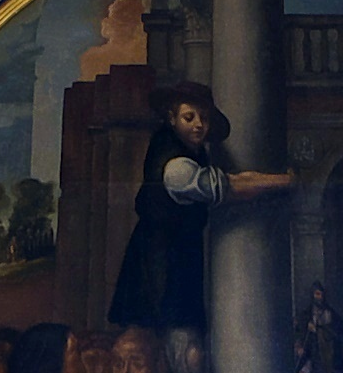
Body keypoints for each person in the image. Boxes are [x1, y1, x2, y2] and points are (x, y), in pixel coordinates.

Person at [109, 83, 289, 336]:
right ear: (172, 119)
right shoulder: (176, 168)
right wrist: (283, 181)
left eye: (203, 118)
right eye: (189, 117)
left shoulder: (191, 152)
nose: (198, 125)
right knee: (173, 342)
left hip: (177, 255)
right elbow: (232, 186)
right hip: (160, 264)